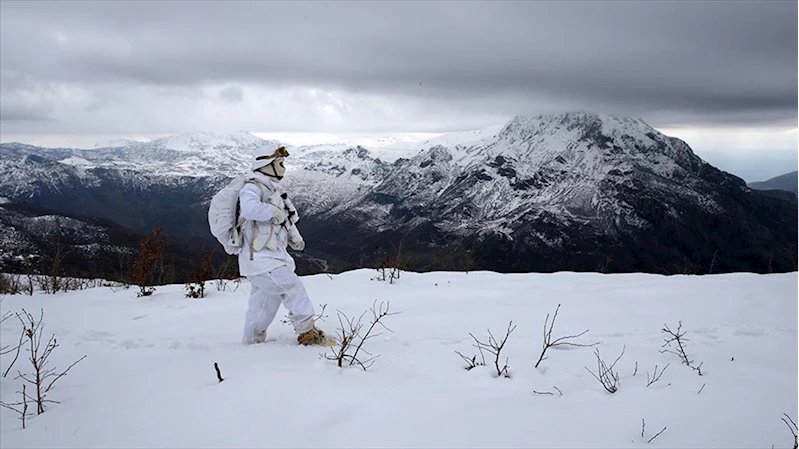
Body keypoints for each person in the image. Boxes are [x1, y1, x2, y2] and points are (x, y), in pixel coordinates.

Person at [237, 144, 326, 346]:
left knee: (263, 304)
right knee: (293, 287)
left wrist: (295, 237)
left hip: (269, 258)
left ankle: (251, 342)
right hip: (261, 260)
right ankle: (307, 332)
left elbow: (285, 220)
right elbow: (250, 209)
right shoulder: (252, 187)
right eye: (280, 163)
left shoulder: (273, 190)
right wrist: (273, 212)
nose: (284, 167)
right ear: (267, 164)